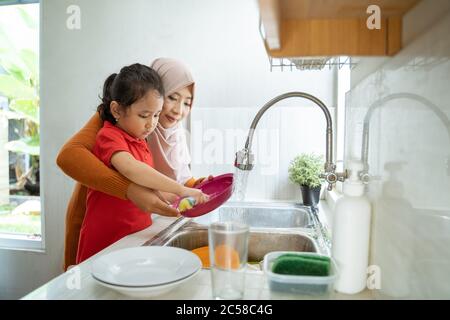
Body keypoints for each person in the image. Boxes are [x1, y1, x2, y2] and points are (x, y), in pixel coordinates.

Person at [57, 58, 209, 270]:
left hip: (131, 236)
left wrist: (194, 190)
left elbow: (158, 184)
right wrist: (180, 189)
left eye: (187, 102)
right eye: (172, 97)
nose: (178, 110)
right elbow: (130, 169)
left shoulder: (147, 135)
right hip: (102, 233)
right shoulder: (113, 125)